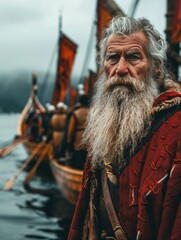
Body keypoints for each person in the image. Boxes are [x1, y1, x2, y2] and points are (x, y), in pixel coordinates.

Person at [68, 16, 181, 240]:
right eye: (112, 58)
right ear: (104, 68)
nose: (120, 69)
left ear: (156, 68)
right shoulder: (103, 127)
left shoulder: (176, 131)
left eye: (133, 57)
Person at [65, 94, 89, 169]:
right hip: (89, 138)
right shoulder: (92, 112)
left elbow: (70, 130)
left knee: (77, 158)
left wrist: (69, 142)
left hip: (78, 139)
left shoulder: (75, 113)